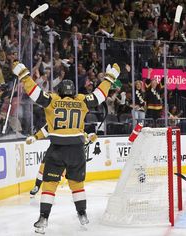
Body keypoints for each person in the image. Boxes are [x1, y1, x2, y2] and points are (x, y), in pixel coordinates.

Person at [12, 61, 120, 234]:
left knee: (49, 185)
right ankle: (82, 214)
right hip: (77, 150)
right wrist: (109, 77)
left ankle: (43, 218)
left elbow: (34, 92)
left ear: (60, 91)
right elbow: (100, 95)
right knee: (77, 184)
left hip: (57, 149)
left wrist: (24, 75)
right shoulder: (82, 100)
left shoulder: (52, 100)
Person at [27, 124, 98, 197]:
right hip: (55, 150)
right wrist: (35, 137)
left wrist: (91, 138)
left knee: (56, 176)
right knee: (43, 167)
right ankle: (37, 186)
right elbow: (46, 129)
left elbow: (85, 137)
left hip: (69, 155)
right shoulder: (56, 120)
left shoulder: (75, 124)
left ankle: (50, 193)